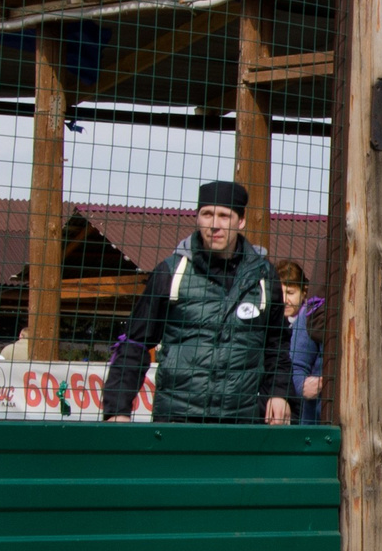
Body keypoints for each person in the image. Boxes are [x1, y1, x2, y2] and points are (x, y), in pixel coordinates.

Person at [101, 180, 292, 425]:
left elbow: (277, 345)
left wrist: (279, 392)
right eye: (207, 214)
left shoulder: (264, 278)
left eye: (224, 216)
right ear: (198, 218)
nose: (215, 225)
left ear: (241, 221)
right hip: (176, 419)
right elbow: (134, 344)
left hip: (241, 421)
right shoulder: (171, 272)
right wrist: (118, 410)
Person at [278, 260, 325, 425]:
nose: (284, 300)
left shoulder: (305, 315)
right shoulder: (310, 315)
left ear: (303, 292)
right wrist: (303, 385)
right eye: (280, 292)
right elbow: (296, 367)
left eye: (290, 292)